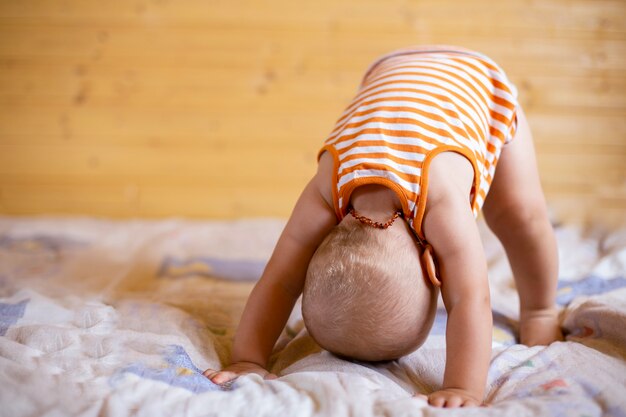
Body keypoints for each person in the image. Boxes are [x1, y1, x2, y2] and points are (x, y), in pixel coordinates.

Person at [203, 45, 563, 408]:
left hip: (481, 88)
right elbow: (280, 279)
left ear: (433, 265)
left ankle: (541, 310)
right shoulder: (328, 190)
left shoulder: (440, 204)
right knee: (517, 218)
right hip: (388, 73)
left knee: (518, 216)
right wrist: (248, 359)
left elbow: (470, 298)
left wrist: (463, 387)